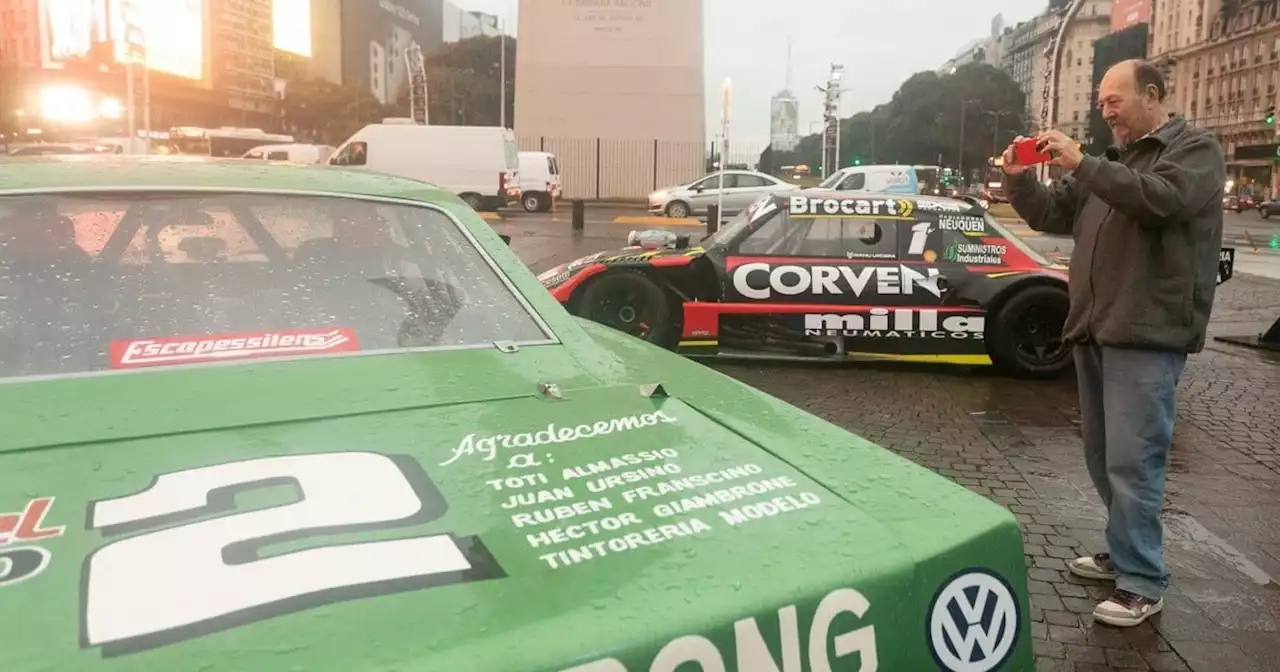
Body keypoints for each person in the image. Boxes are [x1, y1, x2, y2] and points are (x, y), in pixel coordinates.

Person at [1001, 59, 1225, 628]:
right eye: (1101, 103)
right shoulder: (1112, 165)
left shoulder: (1193, 152)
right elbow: (1055, 214)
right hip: (1095, 327)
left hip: (1147, 332)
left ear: (1151, 96)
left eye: (1114, 101)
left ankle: (1143, 580)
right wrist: (1019, 180)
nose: (1106, 113)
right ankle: (1124, 554)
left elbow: (1159, 201)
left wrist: (1086, 163)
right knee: (1104, 460)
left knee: (1135, 462)